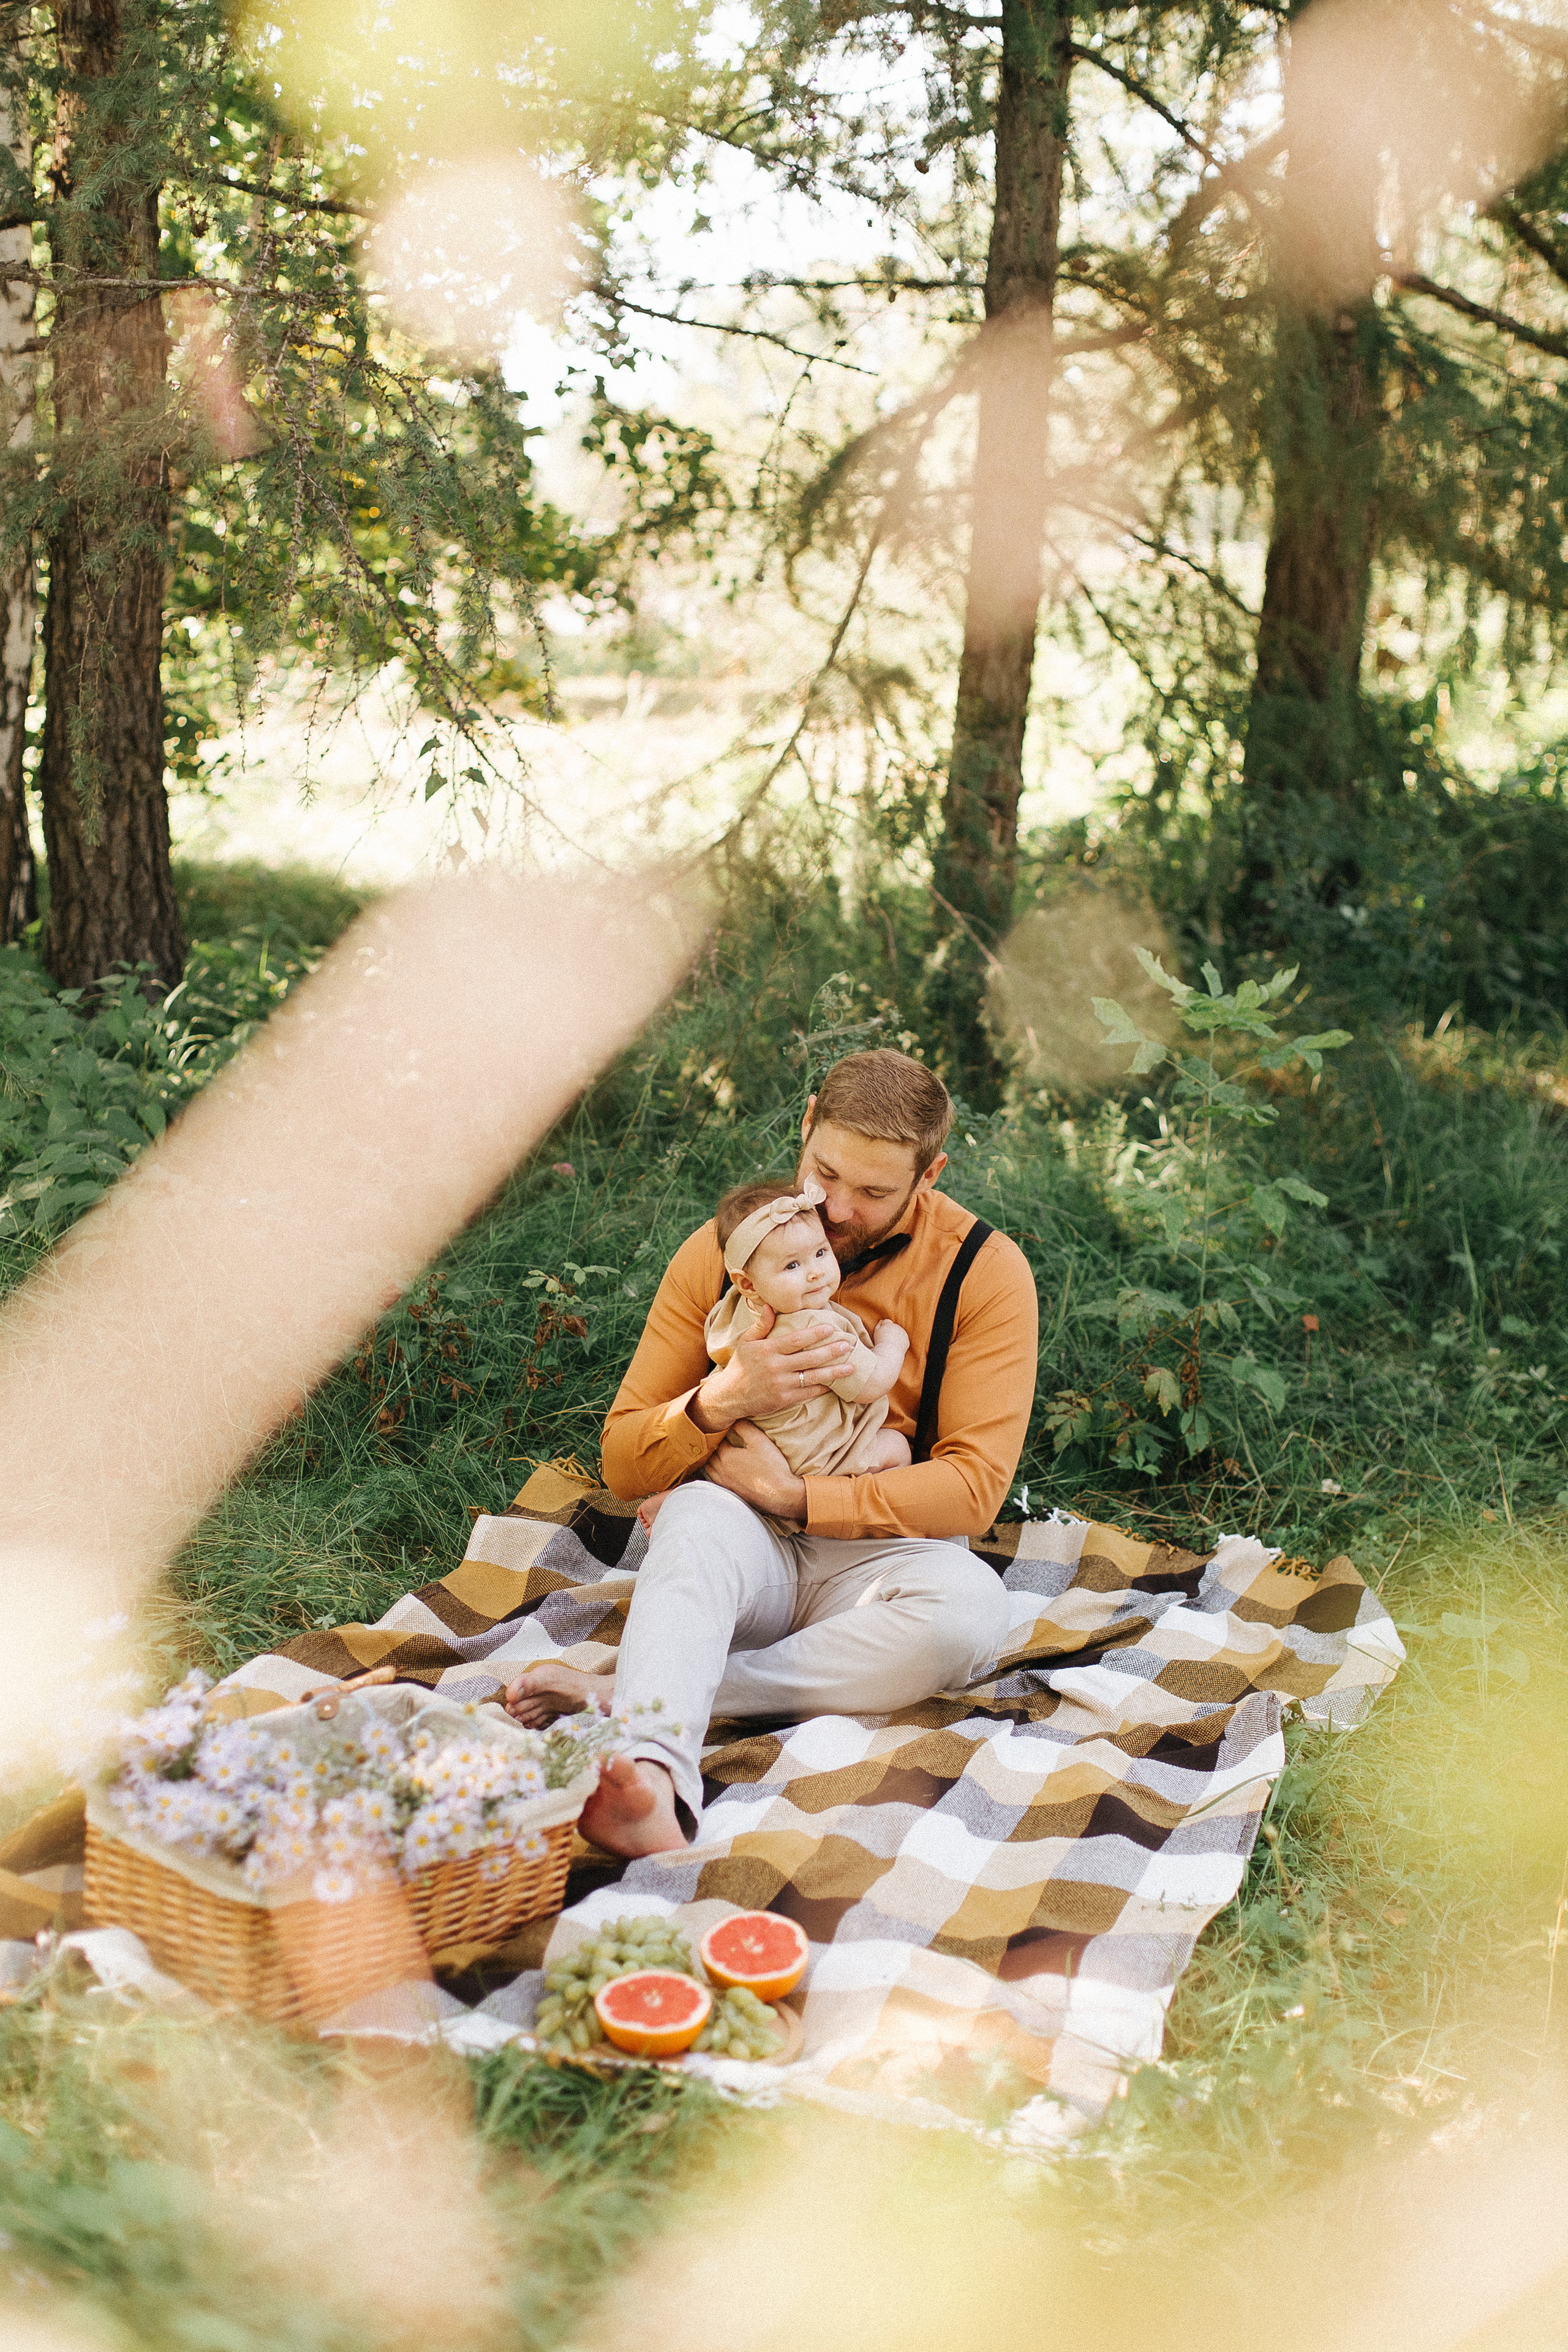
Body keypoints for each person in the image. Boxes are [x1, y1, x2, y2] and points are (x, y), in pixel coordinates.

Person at [506, 1048, 1039, 1856]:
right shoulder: (728, 1251)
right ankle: (652, 1777)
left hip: (883, 1557)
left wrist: (800, 1498)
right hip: (739, 1538)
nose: (837, 1209)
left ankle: (635, 1692)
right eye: (824, 1173)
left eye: (874, 1193)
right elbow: (623, 1460)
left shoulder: (985, 1272)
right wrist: (725, 1400)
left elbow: (973, 1489)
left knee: (971, 1614)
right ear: (806, 1126)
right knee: (693, 1518)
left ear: (929, 1175)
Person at [664, 1173, 913, 1526]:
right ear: (749, 1283)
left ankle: (686, 1495)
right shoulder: (813, 1328)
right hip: (810, 1456)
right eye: (792, 1265)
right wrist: (893, 1345)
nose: (815, 1273)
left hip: (749, 1446)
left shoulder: (731, 1310)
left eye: (821, 1253)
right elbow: (872, 1384)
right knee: (896, 1447)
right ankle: (859, 1527)